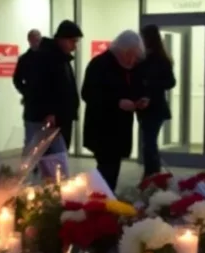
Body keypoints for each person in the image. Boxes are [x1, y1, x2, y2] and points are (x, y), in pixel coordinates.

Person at [81, 30, 147, 190]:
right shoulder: (99, 65)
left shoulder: (129, 67)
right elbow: (88, 93)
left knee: (112, 168)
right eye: (129, 55)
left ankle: (105, 196)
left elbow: (133, 88)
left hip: (120, 129)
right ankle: (102, 198)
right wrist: (117, 102)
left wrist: (139, 100)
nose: (132, 60)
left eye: (135, 56)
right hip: (102, 128)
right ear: (121, 50)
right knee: (107, 169)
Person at [22, 20, 82, 152]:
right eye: (73, 41)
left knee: (57, 157)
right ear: (62, 39)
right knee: (48, 156)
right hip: (47, 120)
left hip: (60, 118)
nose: (74, 47)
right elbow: (40, 87)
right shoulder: (46, 57)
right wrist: (49, 112)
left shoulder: (61, 58)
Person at [136, 24, 176, 178]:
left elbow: (171, 82)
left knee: (149, 143)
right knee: (148, 143)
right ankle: (153, 174)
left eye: (143, 37)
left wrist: (150, 83)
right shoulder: (142, 58)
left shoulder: (160, 59)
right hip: (144, 108)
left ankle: (152, 174)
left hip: (156, 107)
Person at [12, 28, 42, 103]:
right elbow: (17, 79)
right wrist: (26, 92)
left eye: (38, 40)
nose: (36, 43)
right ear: (29, 41)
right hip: (31, 100)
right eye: (33, 40)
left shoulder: (48, 56)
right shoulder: (24, 59)